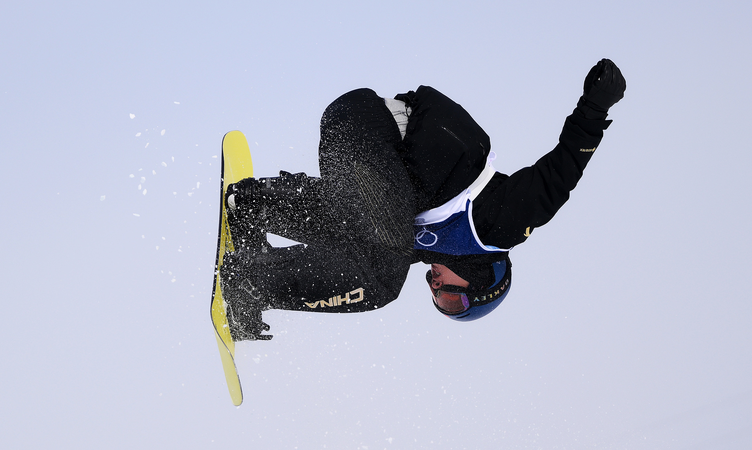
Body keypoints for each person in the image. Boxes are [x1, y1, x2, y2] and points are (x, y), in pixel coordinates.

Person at [220, 59, 626, 341]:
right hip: (373, 130)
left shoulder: (424, 243)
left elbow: (360, 227)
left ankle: (256, 206)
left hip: (356, 132)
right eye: (450, 294)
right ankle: (251, 284)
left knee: (373, 246)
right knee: (381, 278)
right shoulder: (499, 226)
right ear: (483, 281)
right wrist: (595, 107)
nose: (434, 287)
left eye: (439, 301)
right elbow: (559, 177)